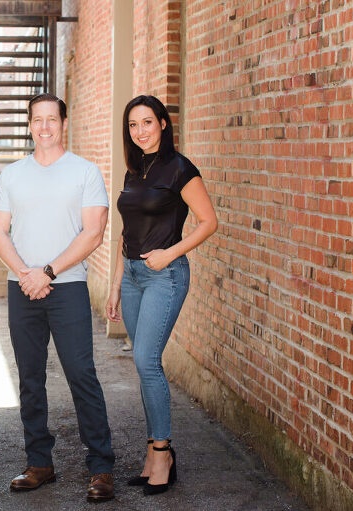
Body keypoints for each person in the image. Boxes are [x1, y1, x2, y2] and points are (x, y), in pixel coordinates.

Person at [0, 93, 117, 502]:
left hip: (67, 287)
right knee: (30, 378)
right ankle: (39, 463)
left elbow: (93, 233)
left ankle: (101, 467)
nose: (44, 127)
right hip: (21, 287)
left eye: (51, 119)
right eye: (37, 120)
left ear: (64, 123)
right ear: (29, 124)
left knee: (81, 374)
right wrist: (26, 275)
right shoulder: (12, 175)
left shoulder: (85, 171)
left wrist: (47, 272)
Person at [106, 95, 217, 496]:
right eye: (133, 125)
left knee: (146, 361)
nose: (140, 131)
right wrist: (116, 283)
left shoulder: (180, 168)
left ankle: (162, 453)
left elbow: (208, 221)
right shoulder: (134, 169)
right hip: (133, 275)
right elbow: (127, 232)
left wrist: (169, 253)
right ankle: (155, 452)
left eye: (147, 122)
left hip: (164, 276)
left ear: (163, 124)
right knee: (145, 365)